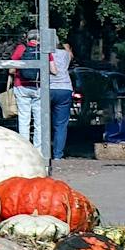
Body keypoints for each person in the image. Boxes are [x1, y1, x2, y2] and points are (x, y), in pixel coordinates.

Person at [48, 32, 76, 161]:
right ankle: (58, 154)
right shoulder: (65, 54)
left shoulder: (45, 54)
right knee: (61, 125)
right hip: (65, 88)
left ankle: (43, 151)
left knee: (42, 122)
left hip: (48, 88)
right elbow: (70, 55)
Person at [10, 31, 41, 145]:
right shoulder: (42, 50)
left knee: (24, 119)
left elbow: (12, 66)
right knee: (39, 121)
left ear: (28, 39)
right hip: (39, 86)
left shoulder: (21, 48)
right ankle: (39, 149)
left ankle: (25, 147)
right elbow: (52, 69)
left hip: (21, 85)